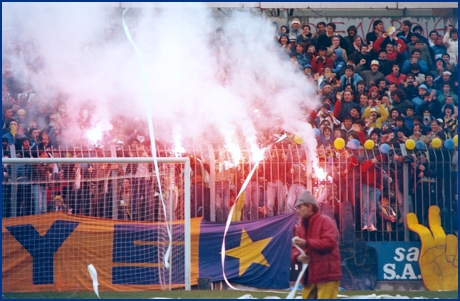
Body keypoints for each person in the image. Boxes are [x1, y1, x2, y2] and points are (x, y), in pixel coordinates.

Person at [291, 190, 342, 299]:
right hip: (310, 277)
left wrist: (307, 243)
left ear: (309, 207)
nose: (298, 211)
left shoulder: (325, 221)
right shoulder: (301, 227)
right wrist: (298, 257)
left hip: (327, 276)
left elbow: (329, 242)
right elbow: (294, 249)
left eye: (300, 207)